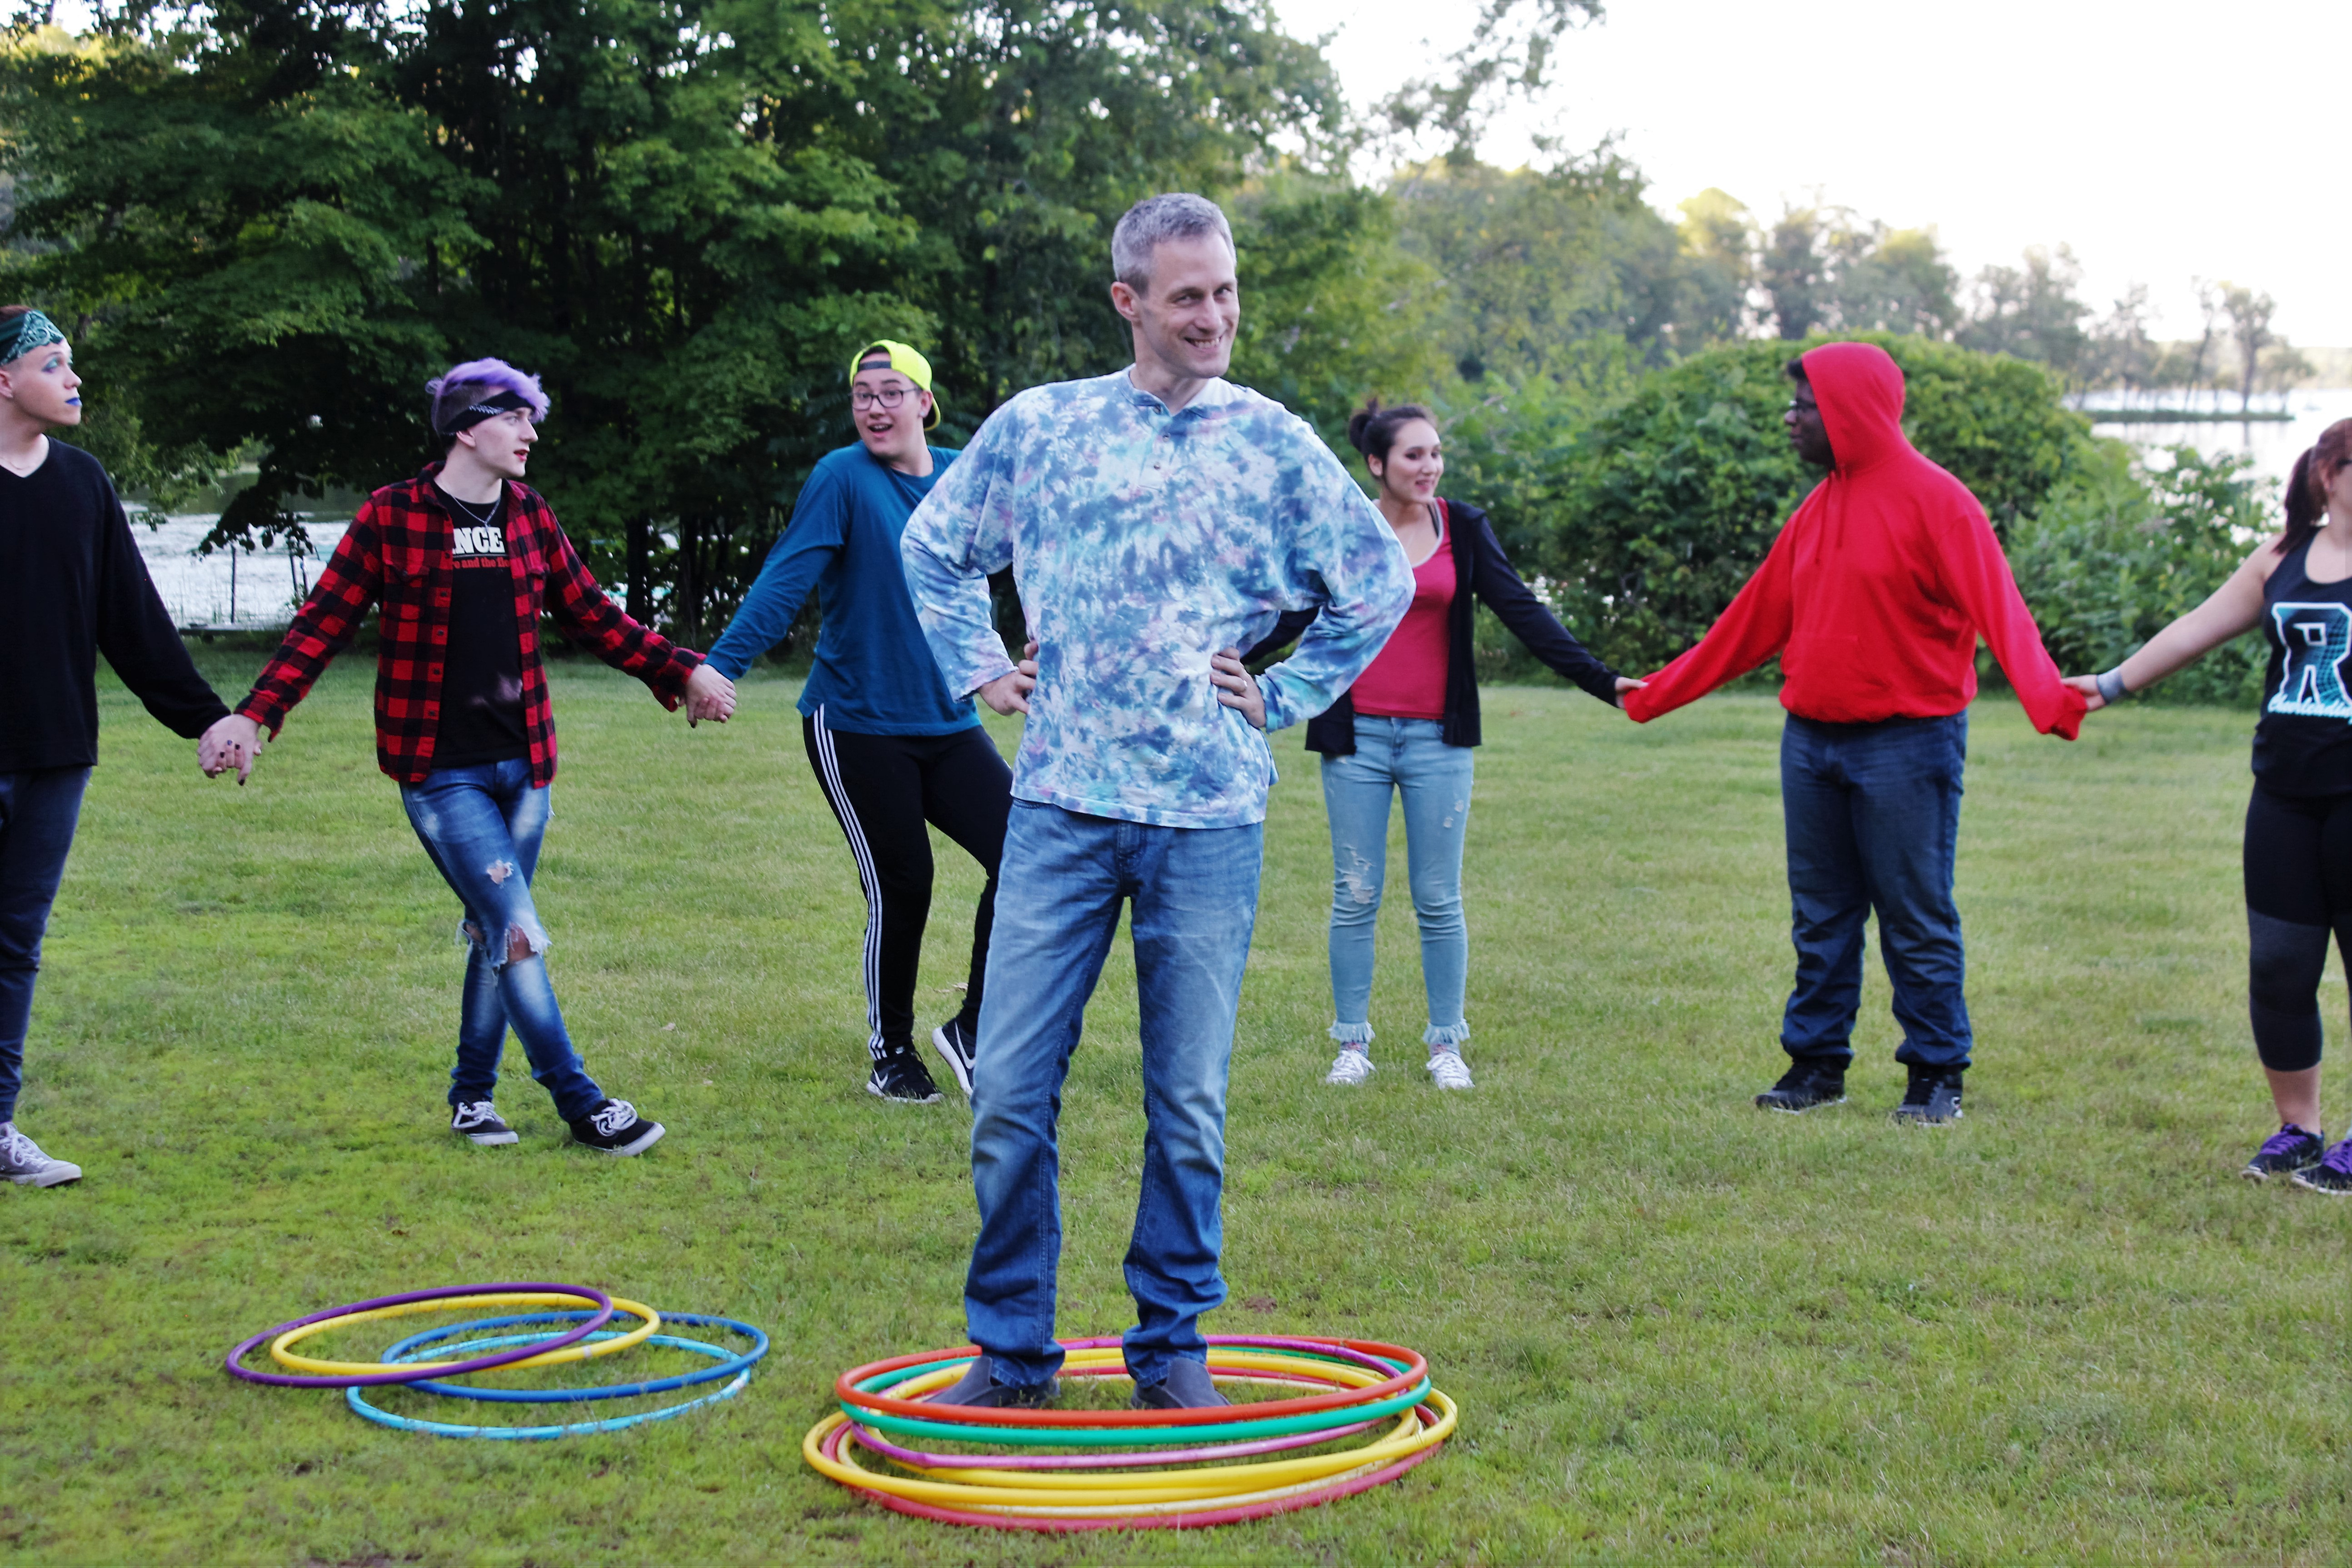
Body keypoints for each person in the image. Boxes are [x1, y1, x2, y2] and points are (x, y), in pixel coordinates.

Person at [900, 194, 1413, 1410]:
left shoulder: (1275, 442)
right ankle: (1013, 1352)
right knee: (1013, 1092)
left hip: (1209, 815)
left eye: (1226, 291)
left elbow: (1378, 576)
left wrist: (1285, 692)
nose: (1215, 315)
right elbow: (934, 547)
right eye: (1187, 295)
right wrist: (980, 664)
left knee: (1187, 1103)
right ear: (1129, 300)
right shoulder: (1044, 429)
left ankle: (1172, 1347)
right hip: (1065, 805)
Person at [199, 358, 735, 1156]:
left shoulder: (529, 515)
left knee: (498, 927)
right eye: (514, 416)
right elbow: (322, 626)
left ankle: (471, 1099)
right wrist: (254, 715)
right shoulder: (392, 517)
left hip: (525, 768)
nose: (532, 431)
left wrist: (680, 667)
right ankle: (581, 1102)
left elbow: (592, 614)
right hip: (439, 771)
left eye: (532, 417)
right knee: (515, 927)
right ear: (465, 428)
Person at [1621, 341, 2085, 1125]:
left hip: (1909, 743)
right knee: (1822, 915)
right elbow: (1753, 621)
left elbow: (2002, 611)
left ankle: (1936, 1076)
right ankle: (1816, 1066)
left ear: (1850, 411)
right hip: (1812, 743)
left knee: (1915, 912)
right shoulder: (1820, 506)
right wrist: (1657, 694)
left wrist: (2053, 700)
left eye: (1804, 405)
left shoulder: (1941, 503)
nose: (1791, 418)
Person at [1246, 398, 1639, 1091]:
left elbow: (1525, 613)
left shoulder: (1462, 527)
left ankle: (1445, 1046)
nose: (1430, 467)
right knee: (1356, 893)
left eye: (1435, 454)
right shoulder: (1351, 532)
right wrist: (1213, 652)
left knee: (1437, 896)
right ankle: (1351, 1044)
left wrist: (1602, 683)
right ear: (1377, 464)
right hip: (1356, 736)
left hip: (1438, 739)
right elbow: (1290, 614)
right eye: (1414, 455)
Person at [704, 341, 1010, 1105]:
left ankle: (973, 1030)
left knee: (1029, 856)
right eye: (862, 396)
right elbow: (788, 576)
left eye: (891, 392)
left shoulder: (958, 474)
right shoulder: (842, 478)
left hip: (948, 719)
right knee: (905, 883)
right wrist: (722, 665)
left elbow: (1002, 573)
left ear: (924, 404)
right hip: (858, 724)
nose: (875, 407)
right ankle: (892, 1054)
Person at [2063, 419, 2352, 1193]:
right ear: (2330, 473)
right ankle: (2299, 1130)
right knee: (2281, 967)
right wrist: (2114, 683)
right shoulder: (2282, 557)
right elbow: (2198, 627)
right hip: (2286, 799)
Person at [0, 307, 235, 1190]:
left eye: (72, 365)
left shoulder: (83, 484)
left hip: (56, 751)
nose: (74, 379)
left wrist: (206, 718)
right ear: (4, 380)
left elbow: (131, 622)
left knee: (15, 944)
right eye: (55, 364)